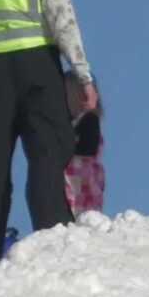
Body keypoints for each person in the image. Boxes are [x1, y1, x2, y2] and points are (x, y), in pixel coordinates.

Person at [0, 0, 98, 263]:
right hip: (37, 67)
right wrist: (83, 75)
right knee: (46, 154)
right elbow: (63, 20)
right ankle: (52, 235)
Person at [64, 71, 105, 216]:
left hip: (83, 180)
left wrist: (65, 148)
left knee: (84, 215)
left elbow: (88, 147)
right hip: (73, 179)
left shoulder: (89, 119)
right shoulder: (74, 121)